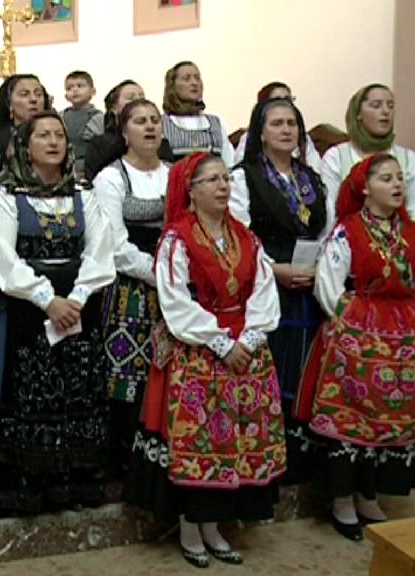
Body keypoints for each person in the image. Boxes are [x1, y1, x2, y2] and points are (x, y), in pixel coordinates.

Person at [144, 152, 284, 568]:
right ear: (191, 190)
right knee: (202, 442)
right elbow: (174, 300)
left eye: (226, 179)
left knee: (234, 441)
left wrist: (252, 337)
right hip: (200, 353)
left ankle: (216, 527)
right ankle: (191, 527)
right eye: (212, 180)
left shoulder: (245, 237)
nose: (223, 186)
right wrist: (221, 343)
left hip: (247, 351)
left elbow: (263, 290)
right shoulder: (176, 239)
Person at [297, 154, 415, 541]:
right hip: (357, 340)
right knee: (353, 416)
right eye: (386, 178)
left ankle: (369, 494)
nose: (397, 185)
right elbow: (329, 285)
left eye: (400, 178)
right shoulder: (347, 232)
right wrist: (351, 319)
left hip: (404, 340)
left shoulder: (414, 235)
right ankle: (342, 500)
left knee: (390, 418)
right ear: (364, 188)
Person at [0, 110, 115, 513]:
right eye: (43, 135)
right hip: (29, 309)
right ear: (25, 146)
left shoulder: (84, 195)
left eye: (59, 134)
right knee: (29, 389)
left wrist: (76, 297)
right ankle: (31, 477)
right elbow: (2, 257)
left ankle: (74, 475)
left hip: (78, 306)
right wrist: (47, 299)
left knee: (78, 386)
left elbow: (99, 249)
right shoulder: (7, 199)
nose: (54, 141)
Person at [229, 98, 328, 482]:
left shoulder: (311, 178)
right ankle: (270, 457)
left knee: (306, 370)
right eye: (277, 124)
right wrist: (277, 270)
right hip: (268, 283)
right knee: (275, 367)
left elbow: (327, 229)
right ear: (261, 132)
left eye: (292, 124)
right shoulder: (244, 177)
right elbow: (242, 236)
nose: (287, 130)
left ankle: (304, 458)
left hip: (310, 283)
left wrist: (321, 269)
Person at [91, 98, 167, 476]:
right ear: (124, 132)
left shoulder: (176, 174)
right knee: (125, 379)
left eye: (155, 120)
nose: (150, 127)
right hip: (129, 291)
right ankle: (122, 455)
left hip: (175, 285)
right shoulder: (111, 177)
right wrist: (162, 275)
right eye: (140, 121)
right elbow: (116, 247)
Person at [320, 84, 415, 233]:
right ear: (358, 113)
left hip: (400, 249)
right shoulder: (336, 157)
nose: (385, 111)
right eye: (376, 105)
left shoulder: (409, 160)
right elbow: (329, 216)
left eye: (390, 106)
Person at [0, 74, 49, 208]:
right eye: (24, 94)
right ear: (9, 103)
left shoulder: (57, 140)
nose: (33, 99)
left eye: (38, 94)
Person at [84, 80, 173, 181]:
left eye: (141, 97)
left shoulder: (162, 144)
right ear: (114, 108)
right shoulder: (100, 145)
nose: (137, 101)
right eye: (130, 98)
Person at [232, 82, 322, 172]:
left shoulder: (303, 139)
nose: (286, 130)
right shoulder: (248, 139)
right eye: (277, 100)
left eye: (288, 99)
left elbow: (316, 172)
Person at [161, 61, 235, 166]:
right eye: (187, 79)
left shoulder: (215, 123)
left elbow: (229, 162)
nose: (194, 83)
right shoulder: (163, 124)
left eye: (197, 78)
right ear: (172, 86)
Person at [61, 70, 104, 176]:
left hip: (89, 167)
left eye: (80, 86)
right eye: (69, 88)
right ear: (66, 96)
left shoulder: (99, 118)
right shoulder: (60, 116)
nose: (75, 90)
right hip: (63, 167)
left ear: (92, 91)